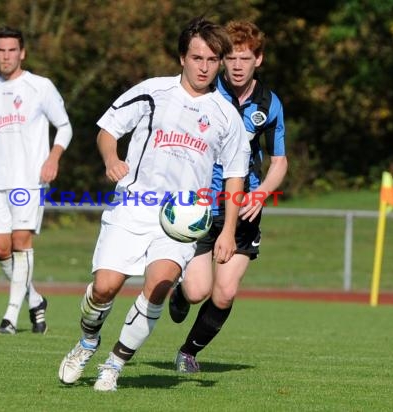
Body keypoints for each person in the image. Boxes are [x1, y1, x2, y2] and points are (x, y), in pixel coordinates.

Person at [57, 16, 251, 392]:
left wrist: (227, 231)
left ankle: (113, 366)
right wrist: (112, 160)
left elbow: (235, 176)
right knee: (104, 288)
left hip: (181, 220)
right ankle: (86, 343)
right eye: (197, 58)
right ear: (182, 57)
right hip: (133, 206)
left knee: (160, 285)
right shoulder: (152, 92)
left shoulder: (227, 115)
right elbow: (108, 130)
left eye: (212, 60)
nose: (204, 67)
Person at [168, 20, 288, 372]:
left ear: (259, 60)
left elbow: (279, 161)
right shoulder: (205, 93)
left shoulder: (269, 103)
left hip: (243, 205)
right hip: (202, 203)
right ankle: (179, 291)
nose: (237, 65)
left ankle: (188, 352)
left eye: (245, 58)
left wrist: (262, 193)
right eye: (231, 58)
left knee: (225, 293)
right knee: (196, 291)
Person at [0, 26, 73, 335]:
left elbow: (64, 127)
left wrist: (53, 158)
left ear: (22, 53)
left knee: (20, 242)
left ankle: (10, 318)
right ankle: (36, 300)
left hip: (30, 180)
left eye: (12, 50)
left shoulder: (40, 87)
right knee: (1, 248)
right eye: (0, 50)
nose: (6, 56)